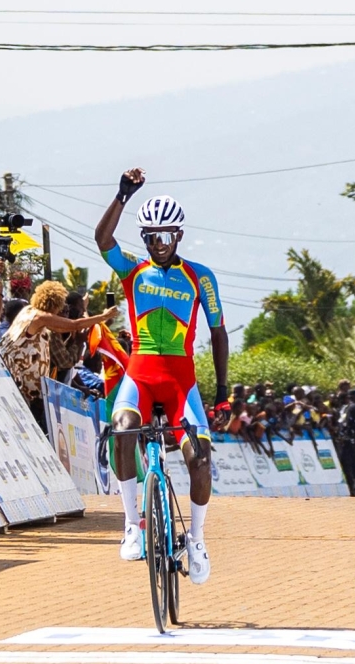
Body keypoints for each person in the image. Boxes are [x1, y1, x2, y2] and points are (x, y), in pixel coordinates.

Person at [95, 167, 229, 586]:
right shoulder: (133, 270)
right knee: (122, 429)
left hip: (180, 383)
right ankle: (131, 525)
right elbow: (103, 240)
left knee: (201, 461)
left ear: (179, 236)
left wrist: (222, 393)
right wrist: (122, 195)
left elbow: (219, 333)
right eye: (151, 236)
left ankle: (198, 539)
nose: (158, 243)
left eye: (165, 236)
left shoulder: (200, 277)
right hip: (140, 375)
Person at [1, 280, 118, 430]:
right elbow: (74, 325)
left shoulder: (28, 311)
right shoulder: (40, 317)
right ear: (54, 305)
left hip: (18, 380)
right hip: (19, 382)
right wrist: (103, 316)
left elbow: (64, 328)